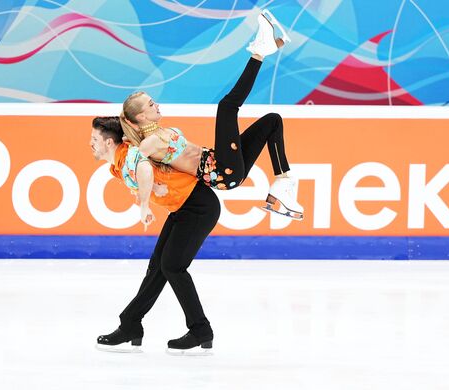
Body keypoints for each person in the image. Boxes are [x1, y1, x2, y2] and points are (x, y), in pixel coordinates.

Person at [119, 9, 304, 220]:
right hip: (222, 173)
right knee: (226, 107)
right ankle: (260, 51)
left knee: (272, 121)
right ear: (141, 117)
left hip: (222, 163)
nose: (157, 105)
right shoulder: (149, 143)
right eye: (151, 105)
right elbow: (135, 170)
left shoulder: (156, 134)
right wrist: (146, 201)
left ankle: (284, 183)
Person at [89, 116, 220, 355]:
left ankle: (201, 329)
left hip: (198, 206)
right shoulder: (117, 164)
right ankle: (130, 324)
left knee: (172, 267)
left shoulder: (126, 156)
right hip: (183, 207)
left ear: (109, 143)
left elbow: (144, 168)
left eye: (94, 139)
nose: (91, 143)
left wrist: (144, 205)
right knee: (158, 267)